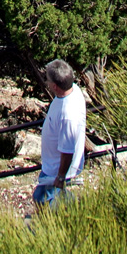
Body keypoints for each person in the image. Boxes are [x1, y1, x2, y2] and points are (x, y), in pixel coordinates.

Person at [32, 58, 87, 207]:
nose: (46, 83)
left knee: (42, 199)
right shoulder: (73, 90)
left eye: (48, 80)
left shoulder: (67, 114)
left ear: (55, 86)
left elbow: (67, 150)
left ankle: (59, 221)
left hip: (56, 170)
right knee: (41, 197)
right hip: (52, 167)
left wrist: (61, 177)